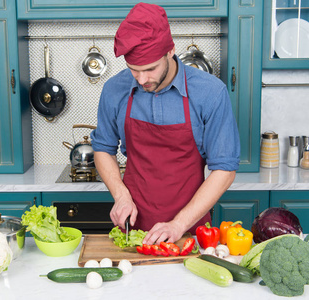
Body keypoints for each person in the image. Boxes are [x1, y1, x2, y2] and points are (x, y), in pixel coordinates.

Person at [90, 2, 240, 245]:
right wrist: (120, 196)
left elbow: (224, 170)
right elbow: (103, 148)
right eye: (133, 70)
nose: (141, 79)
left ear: (170, 51)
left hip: (191, 230)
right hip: (132, 230)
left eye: (149, 69)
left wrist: (179, 224)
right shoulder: (114, 89)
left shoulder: (210, 92)